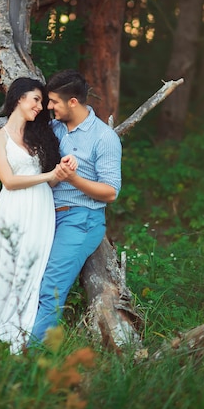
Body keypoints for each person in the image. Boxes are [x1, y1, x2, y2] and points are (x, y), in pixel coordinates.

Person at [0, 77, 77, 355]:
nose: (40, 107)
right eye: (35, 100)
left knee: (34, 266)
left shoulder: (40, 136)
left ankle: (26, 331)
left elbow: (50, 180)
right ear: (19, 98)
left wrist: (61, 172)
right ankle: (0, 327)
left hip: (41, 208)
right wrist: (49, 175)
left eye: (42, 103)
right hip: (14, 207)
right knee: (9, 266)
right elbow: (8, 181)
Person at [28, 69, 122, 345]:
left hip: (81, 221)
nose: (48, 107)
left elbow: (110, 192)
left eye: (54, 102)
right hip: (46, 217)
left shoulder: (103, 138)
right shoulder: (54, 128)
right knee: (30, 281)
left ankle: (30, 358)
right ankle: (14, 341)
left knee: (51, 289)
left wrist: (74, 179)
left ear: (73, 102)